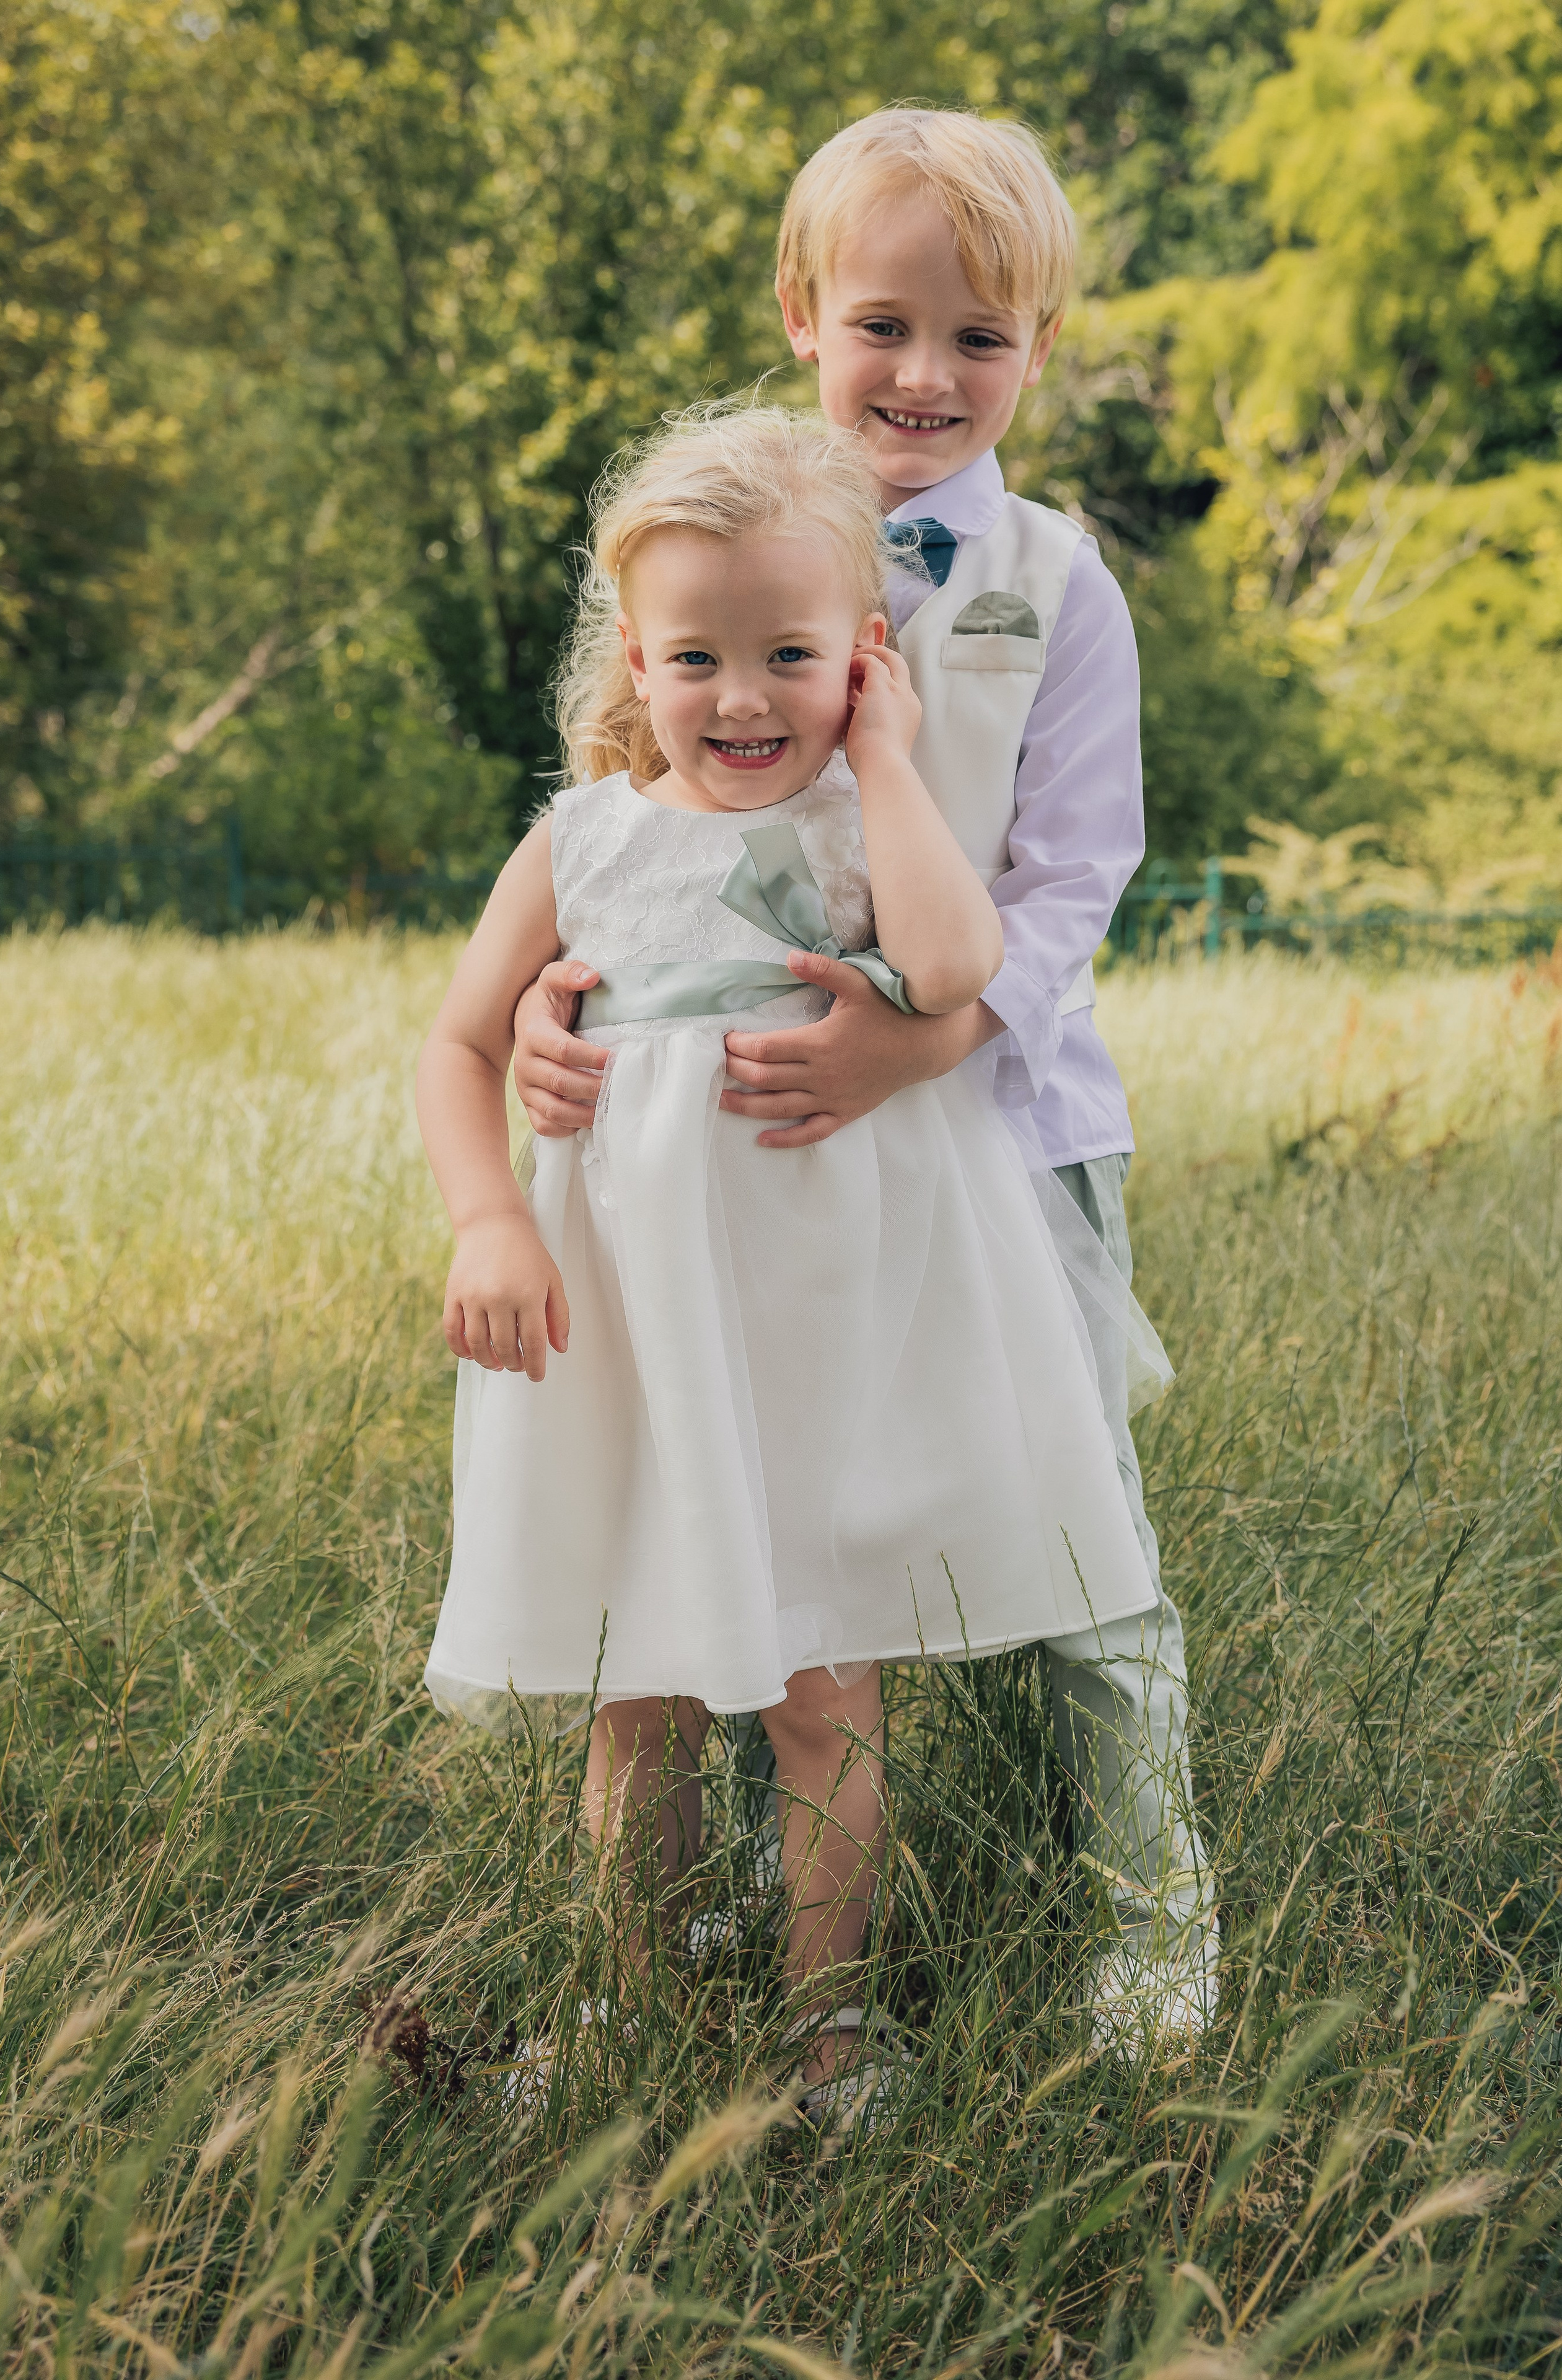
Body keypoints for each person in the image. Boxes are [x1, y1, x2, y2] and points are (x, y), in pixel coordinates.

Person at [511, 108, 1218, 2055]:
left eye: (982, 341)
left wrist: (927, 1035)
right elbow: (621, 814)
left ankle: (1150, 1913)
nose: (927, 376)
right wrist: (561, 1008)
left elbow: (1077, 872)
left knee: (1077, 1523)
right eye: (887, 324)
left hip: (1004, 1115)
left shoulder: (1054, 582)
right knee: (765, 1501)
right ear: (804, 312)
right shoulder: (729, 536)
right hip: (757, 1141)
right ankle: (771, 1875)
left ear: (1042, 354)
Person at [416, 405, 1167, 2125]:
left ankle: (835, 2028)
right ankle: (638, 2004)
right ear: (636, 654)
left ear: (863, 658)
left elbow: (959, 954)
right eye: (697, 657)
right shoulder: (587, 838)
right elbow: (457, 1046)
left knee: (832, 1689)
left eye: (791, 656)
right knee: (643, 1696)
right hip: (634, 1326)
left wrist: (890, 758)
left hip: (821, 1330)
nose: (743, 698)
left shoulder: (859, 828)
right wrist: (488, 1218)